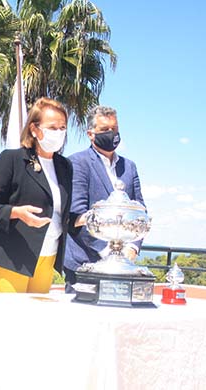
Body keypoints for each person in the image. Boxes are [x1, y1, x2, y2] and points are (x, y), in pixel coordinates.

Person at [0, 97, 85, 293]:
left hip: (47, 258)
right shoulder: (12, 159)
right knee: (9, 321)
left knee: (36, 322)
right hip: (12, 257)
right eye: (53, 127)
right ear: (34, 129)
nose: (59, 133)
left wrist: (84, 219)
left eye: (63, 127)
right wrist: (16, 212)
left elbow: (57, 215)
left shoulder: (64, 166)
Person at [63, 105, 146, 290]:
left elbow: (140, 211)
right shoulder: (78, 162)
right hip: (85, 265)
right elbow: (77, 215)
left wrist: (132, 248)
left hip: (124, 266)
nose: (111, 133)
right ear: (91, 134)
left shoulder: (129, 167)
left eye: (114, 129)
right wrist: (109, 252)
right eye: (104, 130)